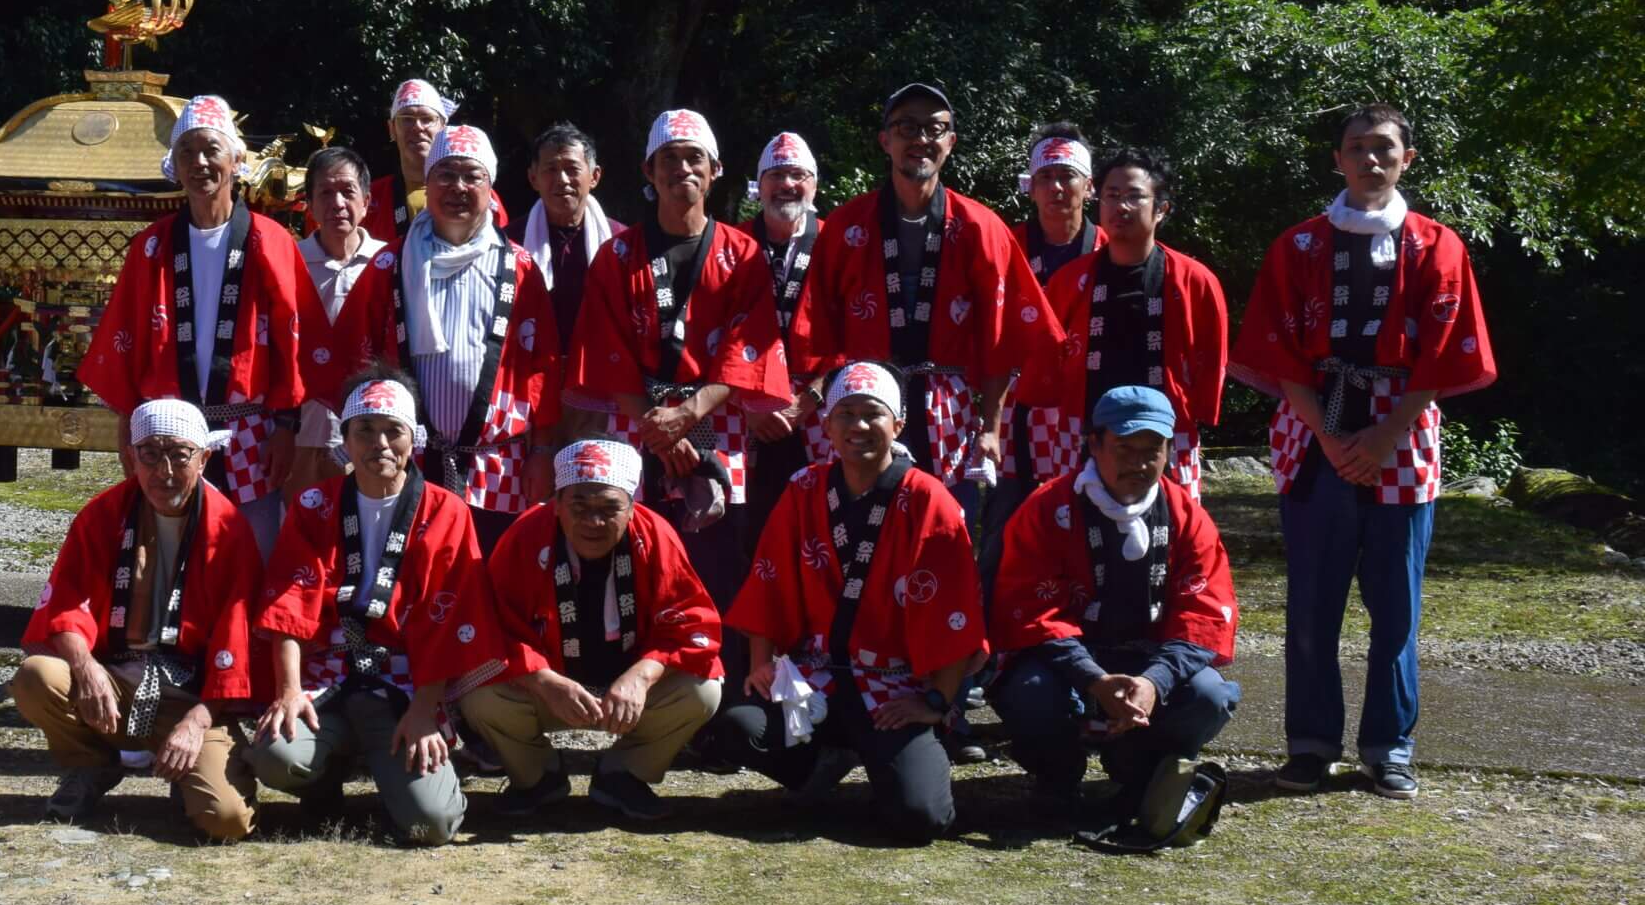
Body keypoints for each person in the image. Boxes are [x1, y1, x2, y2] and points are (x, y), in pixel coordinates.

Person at [1231, 104, 1495, 800]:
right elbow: (1280, 351)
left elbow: (1441, 358)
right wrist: (1328, 434)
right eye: (1357, 148)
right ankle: (1311, 742)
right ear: (1336, 160)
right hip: (1315, 424)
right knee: (1312, 602)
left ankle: (1389, 746)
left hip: (1403, 431)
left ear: (1408, 158)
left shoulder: (1439, 247)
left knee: (1396, 605)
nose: (1370, 159)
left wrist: (1384, 435)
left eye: (1384, 148)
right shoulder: (1299, 248)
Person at [719, 362, 984, 843]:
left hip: (892, 684)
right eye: (845, 414)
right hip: (815, 676)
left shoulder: (929, 499)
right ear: (827, 425)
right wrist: (761, 662)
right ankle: (821, 764)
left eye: (872, 414)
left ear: (898, 425)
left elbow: (955, 606)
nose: (857, 426)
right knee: (739, 725)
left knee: (920, 818)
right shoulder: (804, 488)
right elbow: (770, 575)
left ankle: (914, 757)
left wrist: (935, 701)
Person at [76, 94, 327, 557]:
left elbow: (297, 337)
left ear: (236, 159)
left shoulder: (271, 241)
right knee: (169, 558)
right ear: (174, 164)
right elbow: (124, 339)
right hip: (167, 435)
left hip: (249, 429)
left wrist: (286, 426)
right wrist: (127, 424)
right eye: (187, 151)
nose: (200, 162)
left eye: (211, 149)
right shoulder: (150, 247)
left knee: (252, 554)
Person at [247, 375, 494, 844]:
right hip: (330, 673)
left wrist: (425, 709)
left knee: (431, 825)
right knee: (276, 757)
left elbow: (450, 616)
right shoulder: (315, 503)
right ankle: (324, 778)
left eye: (392, 430)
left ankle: (408, 777)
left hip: (404, 680)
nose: (378, 443)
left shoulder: (446, 511)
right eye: (364, 430)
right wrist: (289, 691)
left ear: (413, 438)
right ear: (344, 438)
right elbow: (290, 604)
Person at [796, 83, 1062, 517]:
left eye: (934, 128)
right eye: (907, 127)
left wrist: (991, 429)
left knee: (944, 530)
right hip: (866, 401)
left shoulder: (980, 226)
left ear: (950, 142)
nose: (920, 139)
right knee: (862, 526)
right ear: (886, 140)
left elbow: (1003, 335)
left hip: (947, 404)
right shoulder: (846, 226)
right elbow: (816, 328)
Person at [11, 398, 264, 840]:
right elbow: (67, 605)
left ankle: (186, 771)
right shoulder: (103, 514)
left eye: (179, 455)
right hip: (115, 679)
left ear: (204, 458)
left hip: (189, 694)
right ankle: (89, 766)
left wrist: (198, 722)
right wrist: (85, 668)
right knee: (38, 676)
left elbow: (236, 646)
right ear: (131, 456)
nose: (164, 470)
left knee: (227, 822)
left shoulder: (229, 530)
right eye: (150, 453)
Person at [988, 386, 1242, 824]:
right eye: (1125, 448)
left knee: (1209, 694)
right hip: (1068, 662)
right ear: (1093, 443)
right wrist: (1094, 679)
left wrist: (1155, 682)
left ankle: (1139, 769)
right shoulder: (1048, 508)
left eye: (1153, 450)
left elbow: (1204, 612)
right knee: (1028, 691)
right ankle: (1057, 777)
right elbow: (1029, 609)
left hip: (1150, 657)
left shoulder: (1185, 514)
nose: (1140, 463)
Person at [570, 108, 790, 612]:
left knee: (719, 547)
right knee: (633, 544)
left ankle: (720, 673)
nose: (682, 169)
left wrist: (688, 416)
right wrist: (655, 427)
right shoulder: (617, 256)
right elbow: (606, 350)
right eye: (669, 159)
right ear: (649, 171)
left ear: (715, 171)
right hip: (637, 422)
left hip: (717, 419)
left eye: (695, 158)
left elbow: (747, 347)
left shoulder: (744, 254)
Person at [456, 439, 725, 825]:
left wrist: (642, 675)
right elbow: (492, 625)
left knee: (704, 689)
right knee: (479, 691)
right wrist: (542, 679)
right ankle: (536, 776)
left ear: (633, 507)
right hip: (549, 690)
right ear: (557, 503)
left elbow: (691, 623)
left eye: (609, 508)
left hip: (630, 695)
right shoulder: (525, 535)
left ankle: (622, 774)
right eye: (579, 506)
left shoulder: (657, 536)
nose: (593, 522)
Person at [329, 124, 560, 548]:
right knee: (413, 585)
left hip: (498, 466)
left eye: (471, 175)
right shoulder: (390, 263)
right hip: (406, 462)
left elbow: (543, 367)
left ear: (490, 187)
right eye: (445, 174)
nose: (457, 186)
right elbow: (351, 358)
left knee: (492, 580)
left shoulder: (521, 268)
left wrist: (543, 453)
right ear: (427, 182)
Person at [1019, 150, 1229, 499]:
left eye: (1134, 196)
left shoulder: (1195, 280)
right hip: (1083, 431)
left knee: (1169, 534)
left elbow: (1211, 357)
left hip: (1167, 431)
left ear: (1161, 208)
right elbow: (1047, 358)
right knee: (1077, 534)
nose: (1121, 207)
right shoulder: (1070, 280)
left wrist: (1199, 413)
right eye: (1112, 196)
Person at [985, 126, 1098, 562]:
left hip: (1082, 405)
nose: (1056, 187)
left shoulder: (1109, 250)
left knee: (1082, 517)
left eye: (1067, 175)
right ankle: (994, 617)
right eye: (1045, 176)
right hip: (1016, 405)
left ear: (1088, 186)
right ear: (1029, 187)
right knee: (1006, 519)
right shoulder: (1005, 244)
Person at [284, 146, 387, 502]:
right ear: (309, 204)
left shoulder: (388, 262)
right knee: (300, 529)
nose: (337, 203)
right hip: (298, 429)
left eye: (347, 191)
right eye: (325, 193)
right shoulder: (288, 262)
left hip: (368, 432)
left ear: (367, 201)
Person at [742, 131, 827, 543]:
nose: (786, 184)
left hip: (821, 407)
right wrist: (745, 403)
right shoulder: (733, 244)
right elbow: (714, 332)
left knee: (820, 523)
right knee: (752, 530)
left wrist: (809, 399)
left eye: (797, 174)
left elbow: (863, 330)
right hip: (745, 410)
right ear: (759, 185)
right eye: (775, 174)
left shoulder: (840, 243)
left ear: (814, 184)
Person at [521, 122, 615, 372]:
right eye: (551, 169)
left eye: (572, 169)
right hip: (529, 371)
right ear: (533, 178)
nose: (562, 180)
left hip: (599, 373)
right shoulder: (509, 242)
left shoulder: (620, 242)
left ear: (594, 176)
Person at [365, 78, 508, 240]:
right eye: (407, 119)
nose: (417, 127)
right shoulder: (370, 199)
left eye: (427, 119)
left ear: (443, 127)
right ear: (392, 129)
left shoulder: (478, 193)